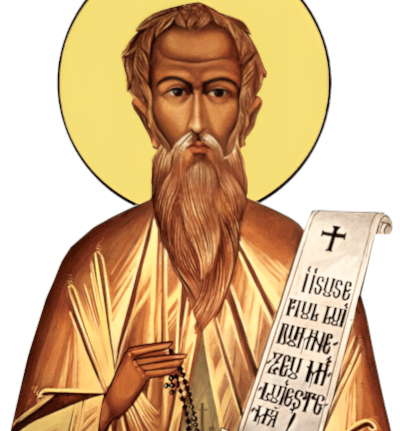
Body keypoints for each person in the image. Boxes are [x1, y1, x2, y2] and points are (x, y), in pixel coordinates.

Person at [12, 3, 390, 431]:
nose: (197, 123)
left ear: (247, 116)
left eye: (218, 92)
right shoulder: (95, 263)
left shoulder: (305, 263)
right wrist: (112, 401)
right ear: (146, 114)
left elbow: (360, 422)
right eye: (176, 92)